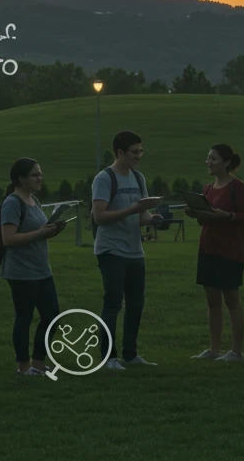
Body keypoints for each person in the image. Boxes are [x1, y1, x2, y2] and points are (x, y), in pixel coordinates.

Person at [90, 130, 165, 369]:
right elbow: (99, 217)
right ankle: (109, 357)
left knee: (136, 304)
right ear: (120, 152)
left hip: (135, 251)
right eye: (134, 152)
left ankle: (131, 355)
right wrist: (133, 210)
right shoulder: (104, 179)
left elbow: (140, 216)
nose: (139, 156)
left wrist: (152, 218)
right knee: (113, 303)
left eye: (141, 151)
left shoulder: (138, 178)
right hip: (111, 250)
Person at [0, 158, 67, 375]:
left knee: (51, 315)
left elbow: (38, 233)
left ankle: (38, 363)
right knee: (24, 317)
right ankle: (23, 366)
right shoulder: (12, 202)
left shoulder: (34, 201)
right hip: (21, 271)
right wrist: (41, 233)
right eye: (35, 175)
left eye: (40, 173)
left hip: (41, 269)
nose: (40, 178)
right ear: (21, 179)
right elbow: (8, 239)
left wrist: (53, 230)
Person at [187, 143, 244, 363]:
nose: (208, 162)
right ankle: (213, 349)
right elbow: (204, 219)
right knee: (212, 301)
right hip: (208, 248)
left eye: (213, 159)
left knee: (231, 300)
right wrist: (195, 212)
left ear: (226, 162)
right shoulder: (206, 189)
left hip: (230, 250)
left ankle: (236, 352)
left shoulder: (237, 187)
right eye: (208, 158)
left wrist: (226, 215)